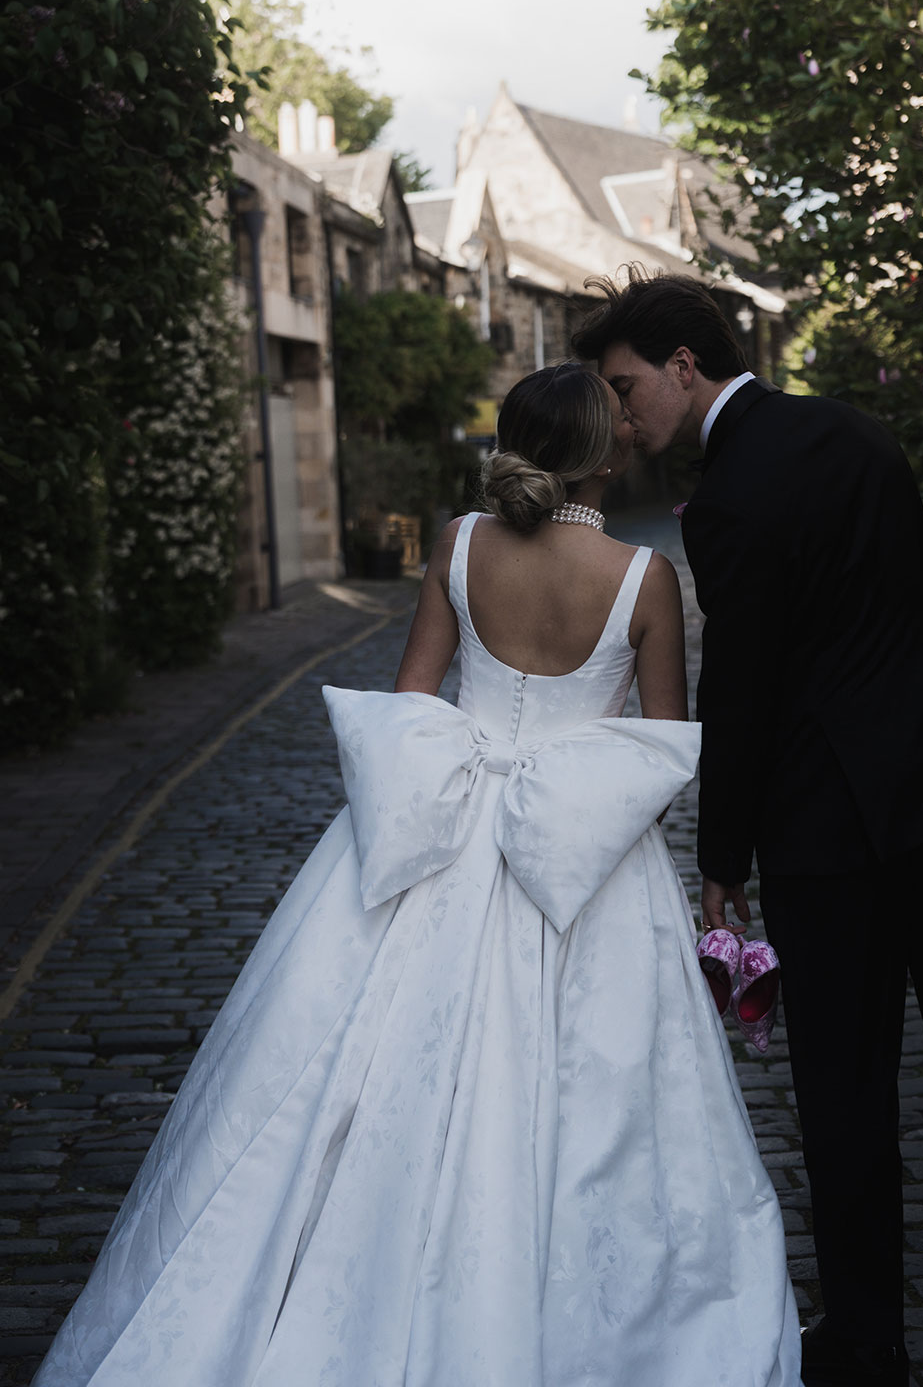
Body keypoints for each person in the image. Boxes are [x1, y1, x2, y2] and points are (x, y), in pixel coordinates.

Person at [33, 361, 802, 1387]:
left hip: (430, 842)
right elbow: (660, 761)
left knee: (344, 1079)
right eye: (619, 425)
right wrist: (565, 794)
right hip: (586, 874)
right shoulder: (643, 577)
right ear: (603, 450)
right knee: (601, 1113)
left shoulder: (460, 544)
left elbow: (413, 703)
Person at [574, 272, 923, 1387]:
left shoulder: (734, 492)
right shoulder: (858, 432)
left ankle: (868, 1333)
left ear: (684, 366)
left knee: (844, 1087)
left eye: (627, 385)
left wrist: (721, 864)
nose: (622, 414)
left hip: (824, 830)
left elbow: (741, 691)